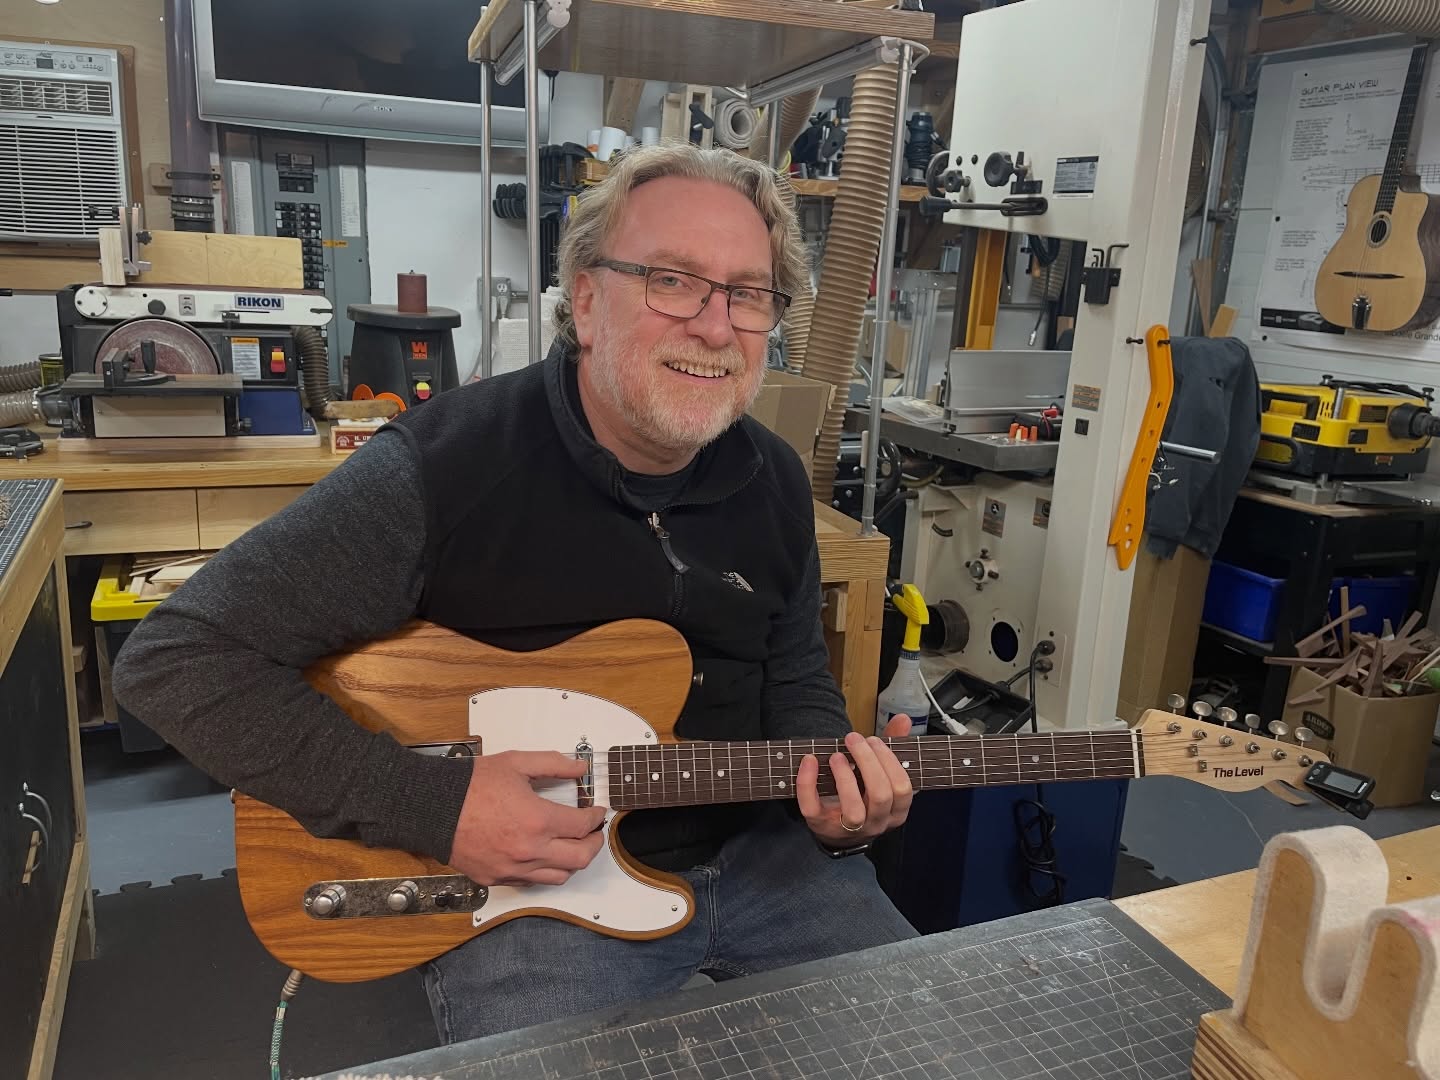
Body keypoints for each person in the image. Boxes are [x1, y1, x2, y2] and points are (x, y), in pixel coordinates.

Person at [112, 142, 918, 1044]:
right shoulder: (444, 467)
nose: (717, 326)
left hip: (769, 860)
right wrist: (435, 806)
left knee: (947, 1039)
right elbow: (174, 661)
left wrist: (840, 809)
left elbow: (794, 674)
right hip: (538, 893)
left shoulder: (774, 478)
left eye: (748, 293)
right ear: (586, 299)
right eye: (673, 281)